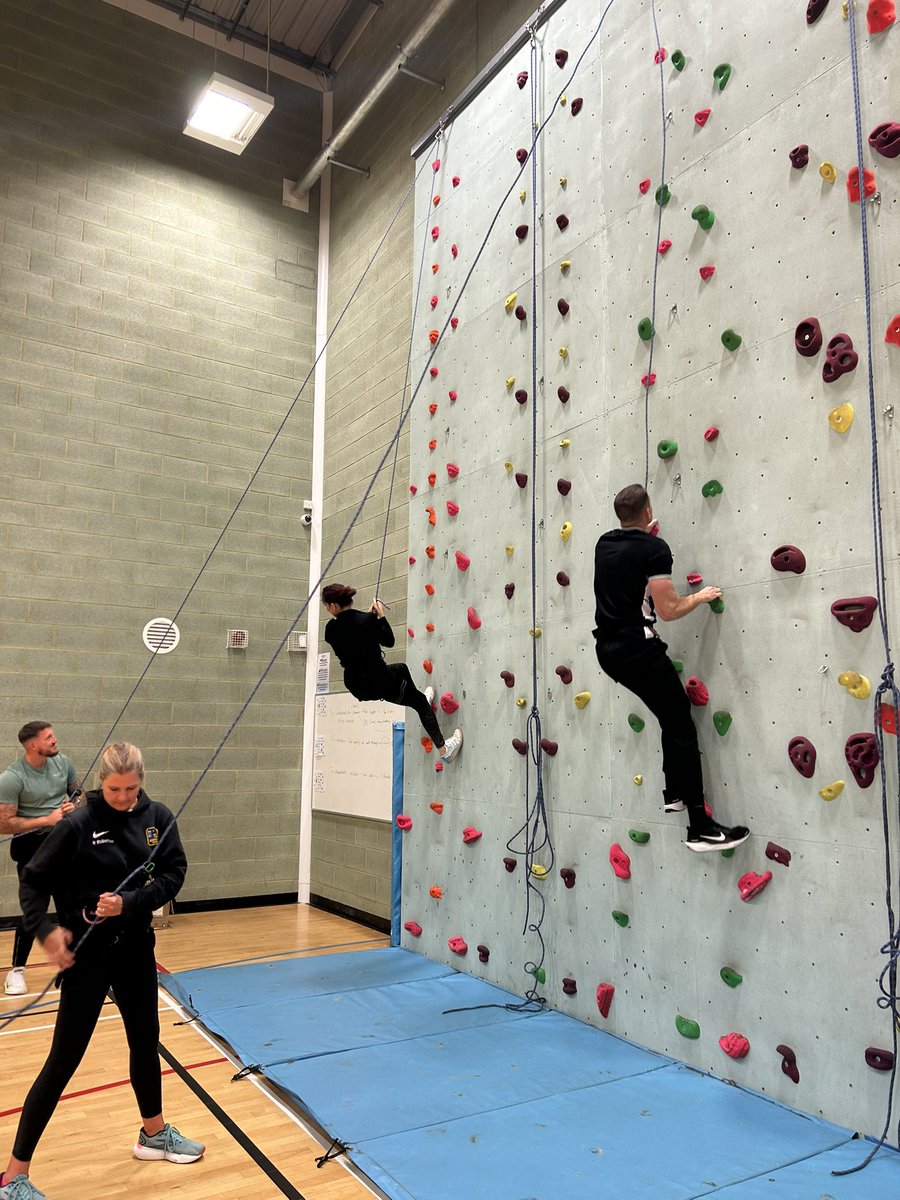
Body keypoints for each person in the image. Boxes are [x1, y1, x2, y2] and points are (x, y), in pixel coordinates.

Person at [0, 742, 204, 1200]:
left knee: (145, 1042)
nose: (124, 797)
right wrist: (46, 932)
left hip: (135, 951)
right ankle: (13, 1176)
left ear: (141, 781)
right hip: (87, 958)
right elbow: (33, 881)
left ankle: (153, 1135)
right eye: (115, 789)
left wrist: (129, 903)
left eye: (132, 789)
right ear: (101, 783)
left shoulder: (157, 817)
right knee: (63, 1060)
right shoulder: (78, 823)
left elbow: (174, 873)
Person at [593, 484, 749, 852]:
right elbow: (669, 610)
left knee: (670, 714)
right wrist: (700, 596)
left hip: (608, 651)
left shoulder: (604, 544)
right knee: (682, 726)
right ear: (648, 512)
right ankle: (701, 828)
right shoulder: (655, 550)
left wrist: (645, 539)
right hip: (638, 651)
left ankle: (674, 793)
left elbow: (630, 564)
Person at [322, 583, 463, 762]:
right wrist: (380, 617)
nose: (327, 609)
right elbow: (389, 641)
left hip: (356, 684)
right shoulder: (367, 621)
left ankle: (419, 701)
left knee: (401, 668)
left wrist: (370, 619)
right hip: (380, 682)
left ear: (333, 606)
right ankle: (444, 750)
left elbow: (353, 631)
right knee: (419, 703)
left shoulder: (330, 629)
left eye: (326, 606)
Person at [0, 723, 82, 997]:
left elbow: (80, 795)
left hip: (64, 844)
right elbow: (4, 823)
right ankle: (17, 970)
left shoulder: (63, 763)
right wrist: (46, 820)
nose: (55, 739)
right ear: (33, 745)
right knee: (34, 911)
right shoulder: (12, 778)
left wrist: (73, 806)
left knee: (70, 908)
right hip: (31, 849)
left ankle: (73, 967)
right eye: (49, 737)